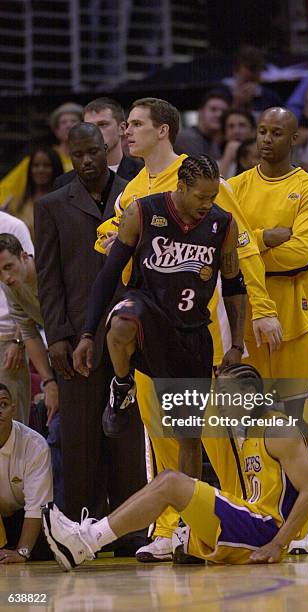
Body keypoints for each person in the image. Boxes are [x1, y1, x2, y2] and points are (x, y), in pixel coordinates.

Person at [93, 97, 282, 561]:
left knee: (214, 436)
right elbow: (109, 243)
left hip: (204, 328)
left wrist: (261, 308)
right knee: (161, 432)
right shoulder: (133, 192)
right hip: (150, 328)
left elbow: (243, 249)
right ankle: (171, 525)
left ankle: (243, 515)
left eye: (135, 124)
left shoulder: (203, 178)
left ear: (163, 130)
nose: (125, 131)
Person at [41, 363, 308, 570]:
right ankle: (88, 536)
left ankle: (87, 540)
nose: (219, 402)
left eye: (225, 394)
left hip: (266, 529)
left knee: (172, 482)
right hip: (252, 521)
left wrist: (278, 543)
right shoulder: (247, 431)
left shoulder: (278, 428)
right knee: (167, 481)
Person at [74, 155, 247, 479]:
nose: (207, 204)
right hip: (148, 314)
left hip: (191, 332)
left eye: (213, 197)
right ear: (181, 187)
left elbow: (235, 287)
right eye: (201, 197)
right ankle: (122, 384)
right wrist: (86, 333)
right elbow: (109, 274)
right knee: (123, 322)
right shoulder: (142, 212)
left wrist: (236, 344)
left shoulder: (222, 224)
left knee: (189, 438)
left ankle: (190, 516)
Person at [34, 123, 147, 541]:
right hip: (75, 335)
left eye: (92, 153)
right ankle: (79, 532)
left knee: (129, 436)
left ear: (107, 148)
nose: (86, 162)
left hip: (129, 332)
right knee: (80, 439)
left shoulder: (135, 195)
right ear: (69, 154)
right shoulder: (51, 205)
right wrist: (58, 336)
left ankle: (133, 532)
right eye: (77, 154)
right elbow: (47, 279)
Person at [228, 107, 308, 553]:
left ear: (295, 138)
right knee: (253, 426)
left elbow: (303, 253)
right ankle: (260, 512)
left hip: (301, 321)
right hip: (250, 323)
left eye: (277, 133)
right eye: (262, 131)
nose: (266, 139)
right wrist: (267, 237)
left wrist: (249, 246)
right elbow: (224, 250)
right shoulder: (235, 188)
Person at [0, 234, 59, 426]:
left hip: (84, 339)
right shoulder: (10, 288)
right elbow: (29, 333)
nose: (6, 278)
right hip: (58, 350)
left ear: (24, 256)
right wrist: (49, 383)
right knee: (56, 427)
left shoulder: (49, 270)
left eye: (9, 267)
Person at [0, 383, 53, 563]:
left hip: (23, 518)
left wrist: (22, 552)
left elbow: (36, 506)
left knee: (43, 550)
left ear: (13, 410)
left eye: (3, 404)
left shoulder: (34, 446)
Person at [0, 102, 82, 207]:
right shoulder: (42, 158)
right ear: (56, 131)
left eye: (73, 121)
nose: (68, 125)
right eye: (63, 122)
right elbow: (8, 187)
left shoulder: (90, 158)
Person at [54, 98, 143, 187]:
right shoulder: (65, 182)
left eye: (103, 124)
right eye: (89, 126)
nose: (95, 131)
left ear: (122, 128)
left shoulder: (145, 174)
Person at [0, 212, 33, 423]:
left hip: (9, 340)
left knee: (13, 422)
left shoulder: (13, 226)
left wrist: (18, 341)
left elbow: (29, 283)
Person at [4, 146, 64, 238]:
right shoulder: (16, 203)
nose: (40, 170)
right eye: (36, 165)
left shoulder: (65, 201)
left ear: (55, 168)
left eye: (46, 165)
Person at [220, 46, 282, 114]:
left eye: (259, 68)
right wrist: (237, 104)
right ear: (236, 69)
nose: (255, 73)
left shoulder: (271, 99)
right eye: (251, 68)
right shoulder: (221, 95)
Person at [174, 91, 230, 158]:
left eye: (223, 112)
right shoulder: (187, 138)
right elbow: (202, 167)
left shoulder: (213, 141)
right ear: (200, 112)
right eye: (213, 109)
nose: (219, 115)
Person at [219, 109, 256, 178]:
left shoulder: (262, 161)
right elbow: (215, 188)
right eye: (231, 126)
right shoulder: (215, 164)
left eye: (242, 125)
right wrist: (227, 158)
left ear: (253, 131)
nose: (236, 131)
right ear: (224, 133)